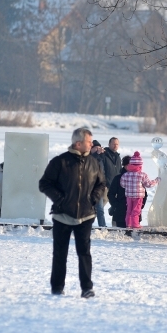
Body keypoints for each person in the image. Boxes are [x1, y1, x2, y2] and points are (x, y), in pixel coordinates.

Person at [39, 127, 106, 298]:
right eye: (89, 142)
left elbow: (101, 184)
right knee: (60, 253)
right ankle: (57, 287)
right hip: (62, 215)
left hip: (86, 215)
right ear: (78, 143)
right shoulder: (60, 162)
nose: (92, 145)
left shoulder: (94, 163)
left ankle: (87, 288)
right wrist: (60, 200)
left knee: (84, 253)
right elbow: (45, 183)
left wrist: (93, 198)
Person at [120, 151, 159, 229]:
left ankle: (128, 224)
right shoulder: (142, 175)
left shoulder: (126, 174)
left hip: (129, 195)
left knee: (129, 210)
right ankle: (135, 224)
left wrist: (129, 187)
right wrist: (156, 181)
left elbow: (122, 184)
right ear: (140, 165)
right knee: (136, 210)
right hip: (138, 196)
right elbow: (149, 184)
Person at [100, 137, 123, 225]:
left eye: (117, 144)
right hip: (106, 186)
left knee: (116, 207)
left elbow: (120, 171)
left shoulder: (118, 156)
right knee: (100, 206)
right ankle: (89, 223)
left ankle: (115, 225)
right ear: (109, 144)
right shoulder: (104, 155)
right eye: (113, 144)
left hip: (116, 186)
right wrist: (104, 182)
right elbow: (101, 170)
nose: (115, 146)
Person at [90, 140, 108, 227]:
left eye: (99, 148)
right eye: (96, 148)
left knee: (100, 209)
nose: (98, 149)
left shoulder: (101, 158)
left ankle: (102, 226)